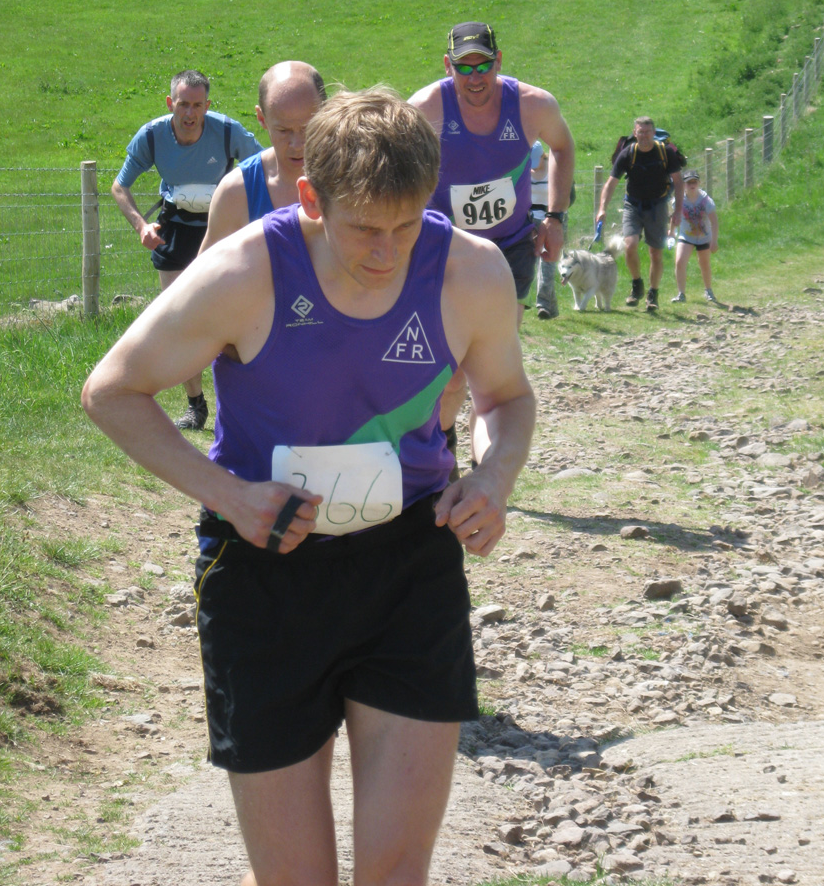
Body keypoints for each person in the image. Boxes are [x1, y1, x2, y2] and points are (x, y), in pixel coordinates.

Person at [82, 87, 535, 886]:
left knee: (397, 871)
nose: (387, 252)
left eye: (407, 224)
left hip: (409, 566)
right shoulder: (245, 271)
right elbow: (113, 391)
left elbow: (505, 397)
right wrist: (227, 493)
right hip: (265, 569)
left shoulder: (471, 270)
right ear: (310, 199)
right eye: (364, 227)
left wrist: (494, 474)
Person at [409, 21, 574, 462]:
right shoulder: (426, 108)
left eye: (484, 65)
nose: (475, 77)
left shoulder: (532, 105)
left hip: (510, 246)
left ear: (499, 62)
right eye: (464, 67)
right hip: (447, 250)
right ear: (448, 67)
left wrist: (555, 217)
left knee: (489, 368)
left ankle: (486, 466)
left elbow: (563, 146)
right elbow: (395, 166)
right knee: (450, 374)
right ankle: (442, 439)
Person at [111, 69, 260, 430]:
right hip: (175, 228)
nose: (190, 114)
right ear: (170, 103)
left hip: (223, 227)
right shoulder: (152, 135)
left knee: (230, 321)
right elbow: (119, 186)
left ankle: (243, 404)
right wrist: (141, 226)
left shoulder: (228, 132)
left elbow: (265, 169)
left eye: (197, 105)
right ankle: (196, 406)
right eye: (182, 105)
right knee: (180, 320)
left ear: (208, 105)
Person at [200, 61, 326, 252]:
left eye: (307, 128)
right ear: (261, 118)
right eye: (283, 130)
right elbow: (204, 276)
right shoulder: (237, 193)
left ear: (325, 112)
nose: (297, 144)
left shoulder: (354, 180)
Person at [595, 116, 684, 312]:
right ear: (635, 133)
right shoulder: (628, 154)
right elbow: (611, 183)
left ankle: (653, 293)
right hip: (633, 205)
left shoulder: (665, 152)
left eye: (647, 132)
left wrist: (677, 211)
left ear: (653, 133)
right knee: (630, 244)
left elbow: (678, 182)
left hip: (658, 205)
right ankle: (637, 285)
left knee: (655, 252)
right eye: (640, 132)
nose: (643, 136)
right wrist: (602, 208)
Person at [670, 169, 718, 304]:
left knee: (704, 263)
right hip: (686, 235)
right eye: (689, 183)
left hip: (704, 237)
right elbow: (674, 216)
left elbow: (714, 222)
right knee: (679, 261)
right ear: (684, 185)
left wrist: (714, 241)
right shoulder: (679, 201)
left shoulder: (706, 201)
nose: (692, 185)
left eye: (694, 182)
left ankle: (708, 291)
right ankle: (681, 294)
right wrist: (672, 231)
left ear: (699, 183)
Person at [530, 140, 558, 319]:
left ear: (543, 156)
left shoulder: (553, 170)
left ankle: (542, 305)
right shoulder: (522, 170)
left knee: (547, 263)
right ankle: (550, 307)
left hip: (550, 219)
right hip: (529, 219)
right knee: (528, 260)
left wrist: (554, 218)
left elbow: (567, 196)